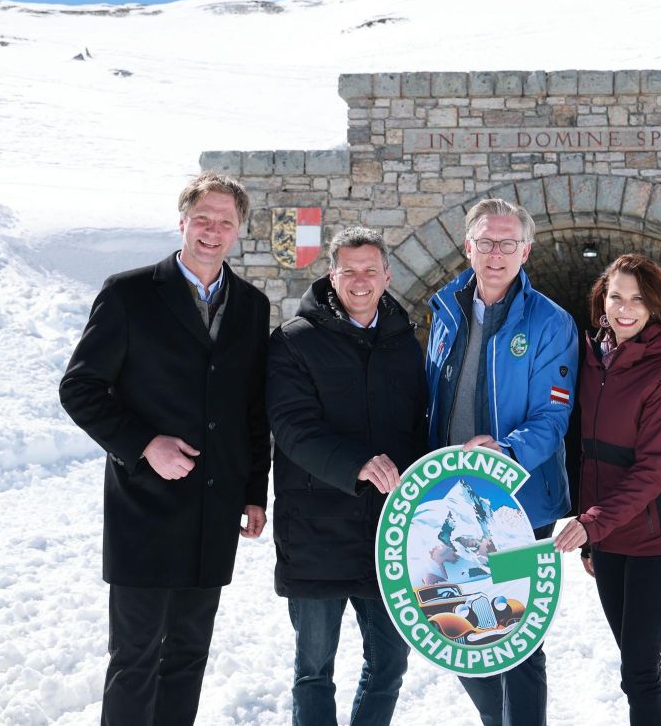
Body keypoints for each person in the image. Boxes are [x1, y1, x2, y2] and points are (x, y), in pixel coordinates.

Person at [59, 172, 271, 726]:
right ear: (182, 222)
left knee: (188, 655)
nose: (212, 231)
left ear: (239, 231)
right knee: (134, 658)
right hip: (144, 507)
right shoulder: (128, 293)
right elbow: (79, 388)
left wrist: (253, 493)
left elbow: (253, 409)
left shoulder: (251, 305)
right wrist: (144, 443)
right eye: (203, 218)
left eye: (225, 221)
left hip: (215, 508)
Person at [425, 198, 579, 726]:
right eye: (486, 242)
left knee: (515, 636)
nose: (495, 253)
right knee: (456, 630)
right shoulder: (444, 310)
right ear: (468, 247)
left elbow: (551, 418)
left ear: (526, 250)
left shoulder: (549, 322)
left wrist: (506, 455)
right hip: (447, 504)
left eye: (507, 243)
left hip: (519, 506)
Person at [265, 226, 427, 726]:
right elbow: (291, 428)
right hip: (317, 531)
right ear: (331, 274)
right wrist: (353, 464)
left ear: (387, 275)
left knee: (390, 663)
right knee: (314, 669)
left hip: (388, 534)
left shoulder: (406, 342)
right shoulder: (294, 342)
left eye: (370, 270)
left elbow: (421, 426)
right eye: (349, 270)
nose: (360, 281)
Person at [553, 254, 661, 726]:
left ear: (656, 306)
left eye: (638, 299)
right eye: (617, 296)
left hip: (656, 539)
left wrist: (590, 524)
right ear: (602, 300)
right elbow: (583, 451)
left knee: (639, 668)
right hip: (609, 537)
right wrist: (591, 538)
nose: (626, 308)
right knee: (632, 665)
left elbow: (652, 470)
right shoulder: (591, 360)